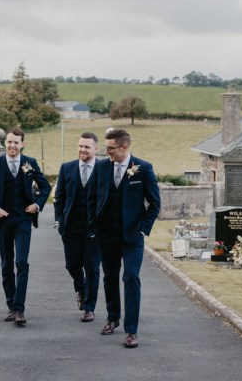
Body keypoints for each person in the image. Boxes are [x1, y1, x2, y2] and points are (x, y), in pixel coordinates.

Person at [87, 128, 161, 348]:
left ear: (124, 146)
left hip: (132, 237)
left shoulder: (143, 169)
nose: (107, 152)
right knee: (109, 277)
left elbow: (154, 203)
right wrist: (94, 226)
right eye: (106, 148)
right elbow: (92, 198)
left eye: (110, 148)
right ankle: (112, 318)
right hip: (106, 235)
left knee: (130, 277)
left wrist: (142, 229)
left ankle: (131, 331)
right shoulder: (101, 167)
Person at [0, 127, 51, 325]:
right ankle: (11, 307)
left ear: (22, 144)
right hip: (3, 220)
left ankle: (19, 309)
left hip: (23, 219)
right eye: (9, 142)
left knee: (21, 262)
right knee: (6, 264)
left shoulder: (30, 163)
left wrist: (37, 205)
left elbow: (45, 186)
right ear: (6, 143)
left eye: (16, 142)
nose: (12, 145)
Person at [54, 132, 100, 322]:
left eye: (87, 147)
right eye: (80, 146)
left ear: (96, 149)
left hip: (94, 229)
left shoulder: (104, 168)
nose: (82, 149)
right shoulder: (67, 168)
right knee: (72, 265)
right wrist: (59, 219)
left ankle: (89, 307)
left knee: (92, 268)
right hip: (71, 227)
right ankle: (80, 288)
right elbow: (59, 196)